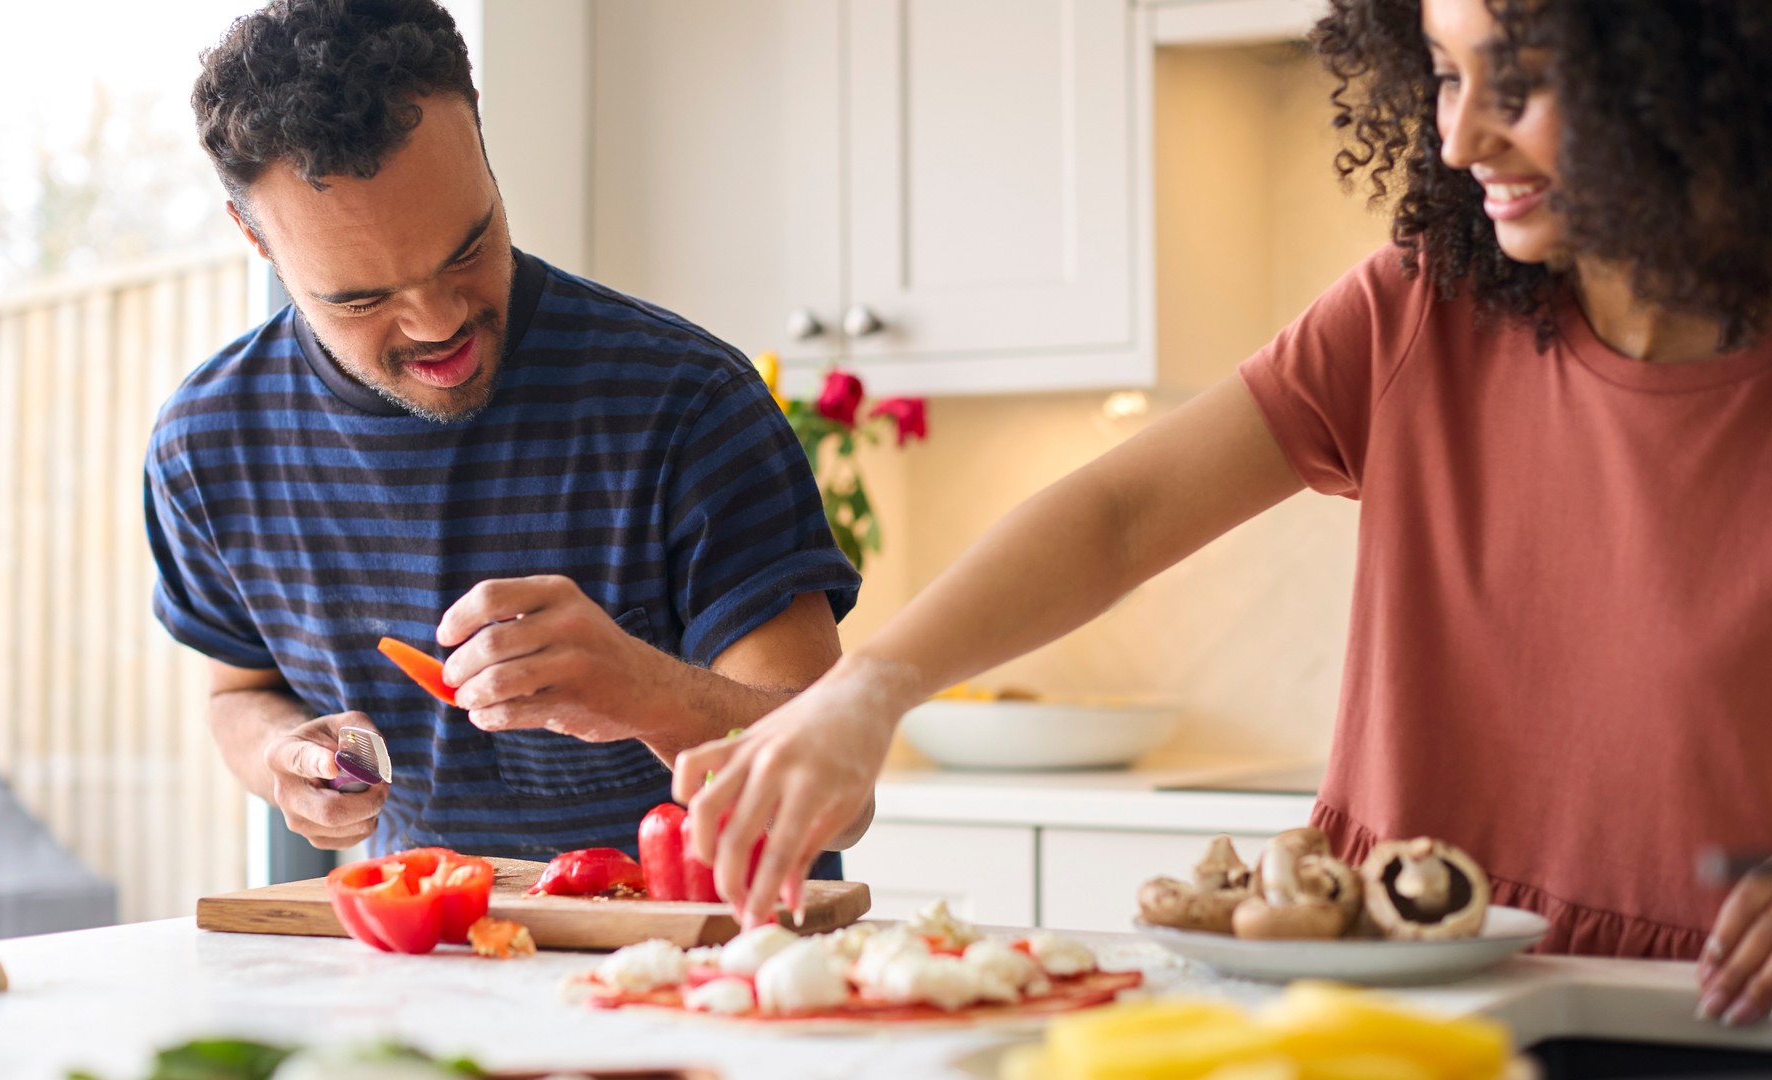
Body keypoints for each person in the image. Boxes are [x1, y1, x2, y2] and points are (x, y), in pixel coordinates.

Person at [678, 0, 1772, 1019]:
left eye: (1520, 81)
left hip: (1695, 1012)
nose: (1460, 138)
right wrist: (869, 691)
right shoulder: (1421, 305)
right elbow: (1122, 513)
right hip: (1375, 987)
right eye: (1443, 76)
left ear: (1677, 71)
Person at [145, 0, 869, 881]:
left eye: (468, 247)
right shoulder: (211, 443)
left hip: (711, 973)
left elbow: (844, 794)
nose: (440, 322)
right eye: (362, 298)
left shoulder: (688, 405)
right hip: (428, 963)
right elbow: (238, 692)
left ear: (483, 144)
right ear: (253, 239)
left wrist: (642, 690)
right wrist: (283, 760)